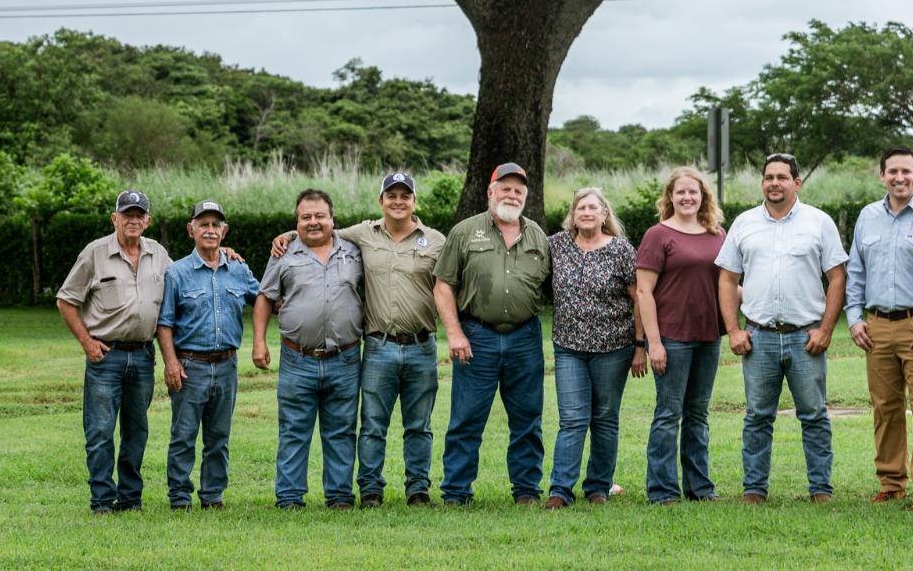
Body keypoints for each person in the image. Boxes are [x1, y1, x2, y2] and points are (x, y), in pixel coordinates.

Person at [267, 172, 448, 507]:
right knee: (371, 426)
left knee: (419, 426)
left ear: (413, 201)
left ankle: (418, 488)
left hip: (422, 347)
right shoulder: (362, 234)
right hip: (377, 347)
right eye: (390, 195)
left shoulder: (435, 240)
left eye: (404, 195)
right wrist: (290, 233)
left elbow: (450, 286)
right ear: (380, 201)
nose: (397, 201)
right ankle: (370, 490)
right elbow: (319, 229)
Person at [716, 153, 847, 503]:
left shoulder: (819, 223)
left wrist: (826, 330)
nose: (775, 183)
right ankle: (754, 489)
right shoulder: (744, 224)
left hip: (806, 337)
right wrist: (733, 330)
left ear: (797, 182)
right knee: (757, 417)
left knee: (814, 415)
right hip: (758, 337)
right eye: (769, 177)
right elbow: (727, 279)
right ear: (762, 183)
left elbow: (837, 278)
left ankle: (821, 489)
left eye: (782, 177)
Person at [433, 161, 553, 506]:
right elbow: (443, 287)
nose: (511, 195)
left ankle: (527, 491)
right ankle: (456, 492)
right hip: (476, 335)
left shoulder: (538, 238)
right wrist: (455, 334)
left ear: (525, 196)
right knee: (466, 419)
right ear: (491, 192)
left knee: (528, 420)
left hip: (525, 337)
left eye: (518, 190)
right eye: (505, 188)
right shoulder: (464, 232)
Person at [845, 145, 913, 509]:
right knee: (885, 407)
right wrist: (854, 317)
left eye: (906, 171)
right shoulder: (867, 217)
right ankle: (891, 482)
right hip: (877, 327)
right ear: (882, 176)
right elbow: (856, 271)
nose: (899, 177)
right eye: (892, 171)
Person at [55, 190, 172, 514]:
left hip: (144, 356)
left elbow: (184, 280)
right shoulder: (95, 253)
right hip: (106, 356)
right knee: (101, 430)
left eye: (139, 215)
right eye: (127, 215)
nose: (133, 220)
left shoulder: (158, 254)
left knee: (136, 431)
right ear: (114, 218)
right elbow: (66, 300)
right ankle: (103, 500)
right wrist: (87, 342)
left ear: (147, 221)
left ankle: (131, 498)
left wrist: (224, 251)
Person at [253, 188, 364, 510]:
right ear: (296, 222)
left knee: (342, 431)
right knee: (293, 431)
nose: (313, 222)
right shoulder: (283, 255)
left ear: (333, 219)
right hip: (297, 358)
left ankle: (340, 497)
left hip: (345, 358)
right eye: (305, 217)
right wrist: (259, 341)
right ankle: (289, 498)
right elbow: (264, 298)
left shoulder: (355, 251)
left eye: (320, 216)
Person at [544, 187, 646, 509]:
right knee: (572, 419)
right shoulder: (555, 245)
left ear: (605, 214)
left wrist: (640, 345)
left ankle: (598, 487)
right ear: (572, 215)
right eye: (580, 208)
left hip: (613, 347)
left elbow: (640, 299)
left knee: (604, 417)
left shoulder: (621, 250)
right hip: (569, 346)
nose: (586, 212)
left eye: (593, 207)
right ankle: (560, 490)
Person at [155, 200, 260, 511]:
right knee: (183, 435)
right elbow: (165, 322)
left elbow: (266, 300)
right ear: (192, 230)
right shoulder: (177, 273)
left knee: (219, 437)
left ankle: (213, 496)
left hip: (227, 365)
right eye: (204, 224)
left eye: (216, 225)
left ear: (224, 231)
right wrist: (171, 363)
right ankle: (179, 497)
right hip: (190, 365)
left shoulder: (239, 270)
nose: (210, 230)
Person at [635, 166, 727, 505]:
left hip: (709, 335)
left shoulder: (717, 234)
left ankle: (699, 487)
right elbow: (644, 292)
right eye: (681, 192)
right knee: (668, 413)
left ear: (703, 196)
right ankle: (662, 490)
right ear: (670, 197)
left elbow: (727, 285)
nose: (687, 197)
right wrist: (652, 343)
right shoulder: (658, 235)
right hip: (672, 337)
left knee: (698, 414)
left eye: (694, 192)